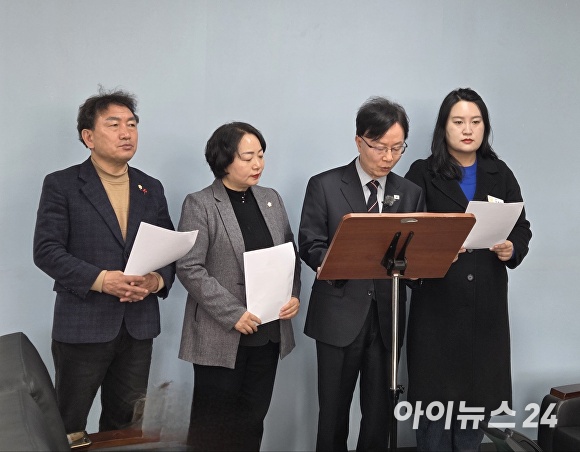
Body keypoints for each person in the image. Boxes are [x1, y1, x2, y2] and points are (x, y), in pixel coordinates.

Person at [33, 89, 176, 434]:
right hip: (83, 325)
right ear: (89, 137)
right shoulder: (63, 184)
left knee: (126, 428)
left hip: (138, 326)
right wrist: (102, 280)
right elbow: (47, 250)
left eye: (131, 124)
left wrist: (156, 281)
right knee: (68, 426)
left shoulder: (150, 187)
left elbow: (169, 247)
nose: (126, 133)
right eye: (114, 125)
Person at [405, 88, 532, 451]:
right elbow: (405, 232)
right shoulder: (422, 172)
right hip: (438, 307)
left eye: (476, 122)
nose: (468, 129)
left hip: (485, 309)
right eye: (458, 121)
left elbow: (521, 226)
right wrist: (438, 250)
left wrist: (512, 247)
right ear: (443, 127)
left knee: (473, 409)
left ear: (485, 127)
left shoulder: (499, 172)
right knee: (434, 410)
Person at [299, 96, 425, 451]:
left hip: (387, 319)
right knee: (333, 415)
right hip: (338, 313)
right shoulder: (324, 185)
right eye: (380, 147)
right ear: (359, 141)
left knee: (379, 415)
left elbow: (415, 253)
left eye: (397, 148)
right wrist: (333, 261)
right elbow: (310, 242)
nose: (388, 157)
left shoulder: (410, 193)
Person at [176, 122, 301, 451]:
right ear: (224, 160)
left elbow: (290, 255)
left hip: (267, 332)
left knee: (251, 422)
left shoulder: (271, 199)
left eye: (261, 155)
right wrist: (233, 314)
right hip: (222, 333)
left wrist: (292, 295)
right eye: (248, 157)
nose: (258, 164)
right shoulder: (200, 204)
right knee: (212, 428)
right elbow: (189, 267)